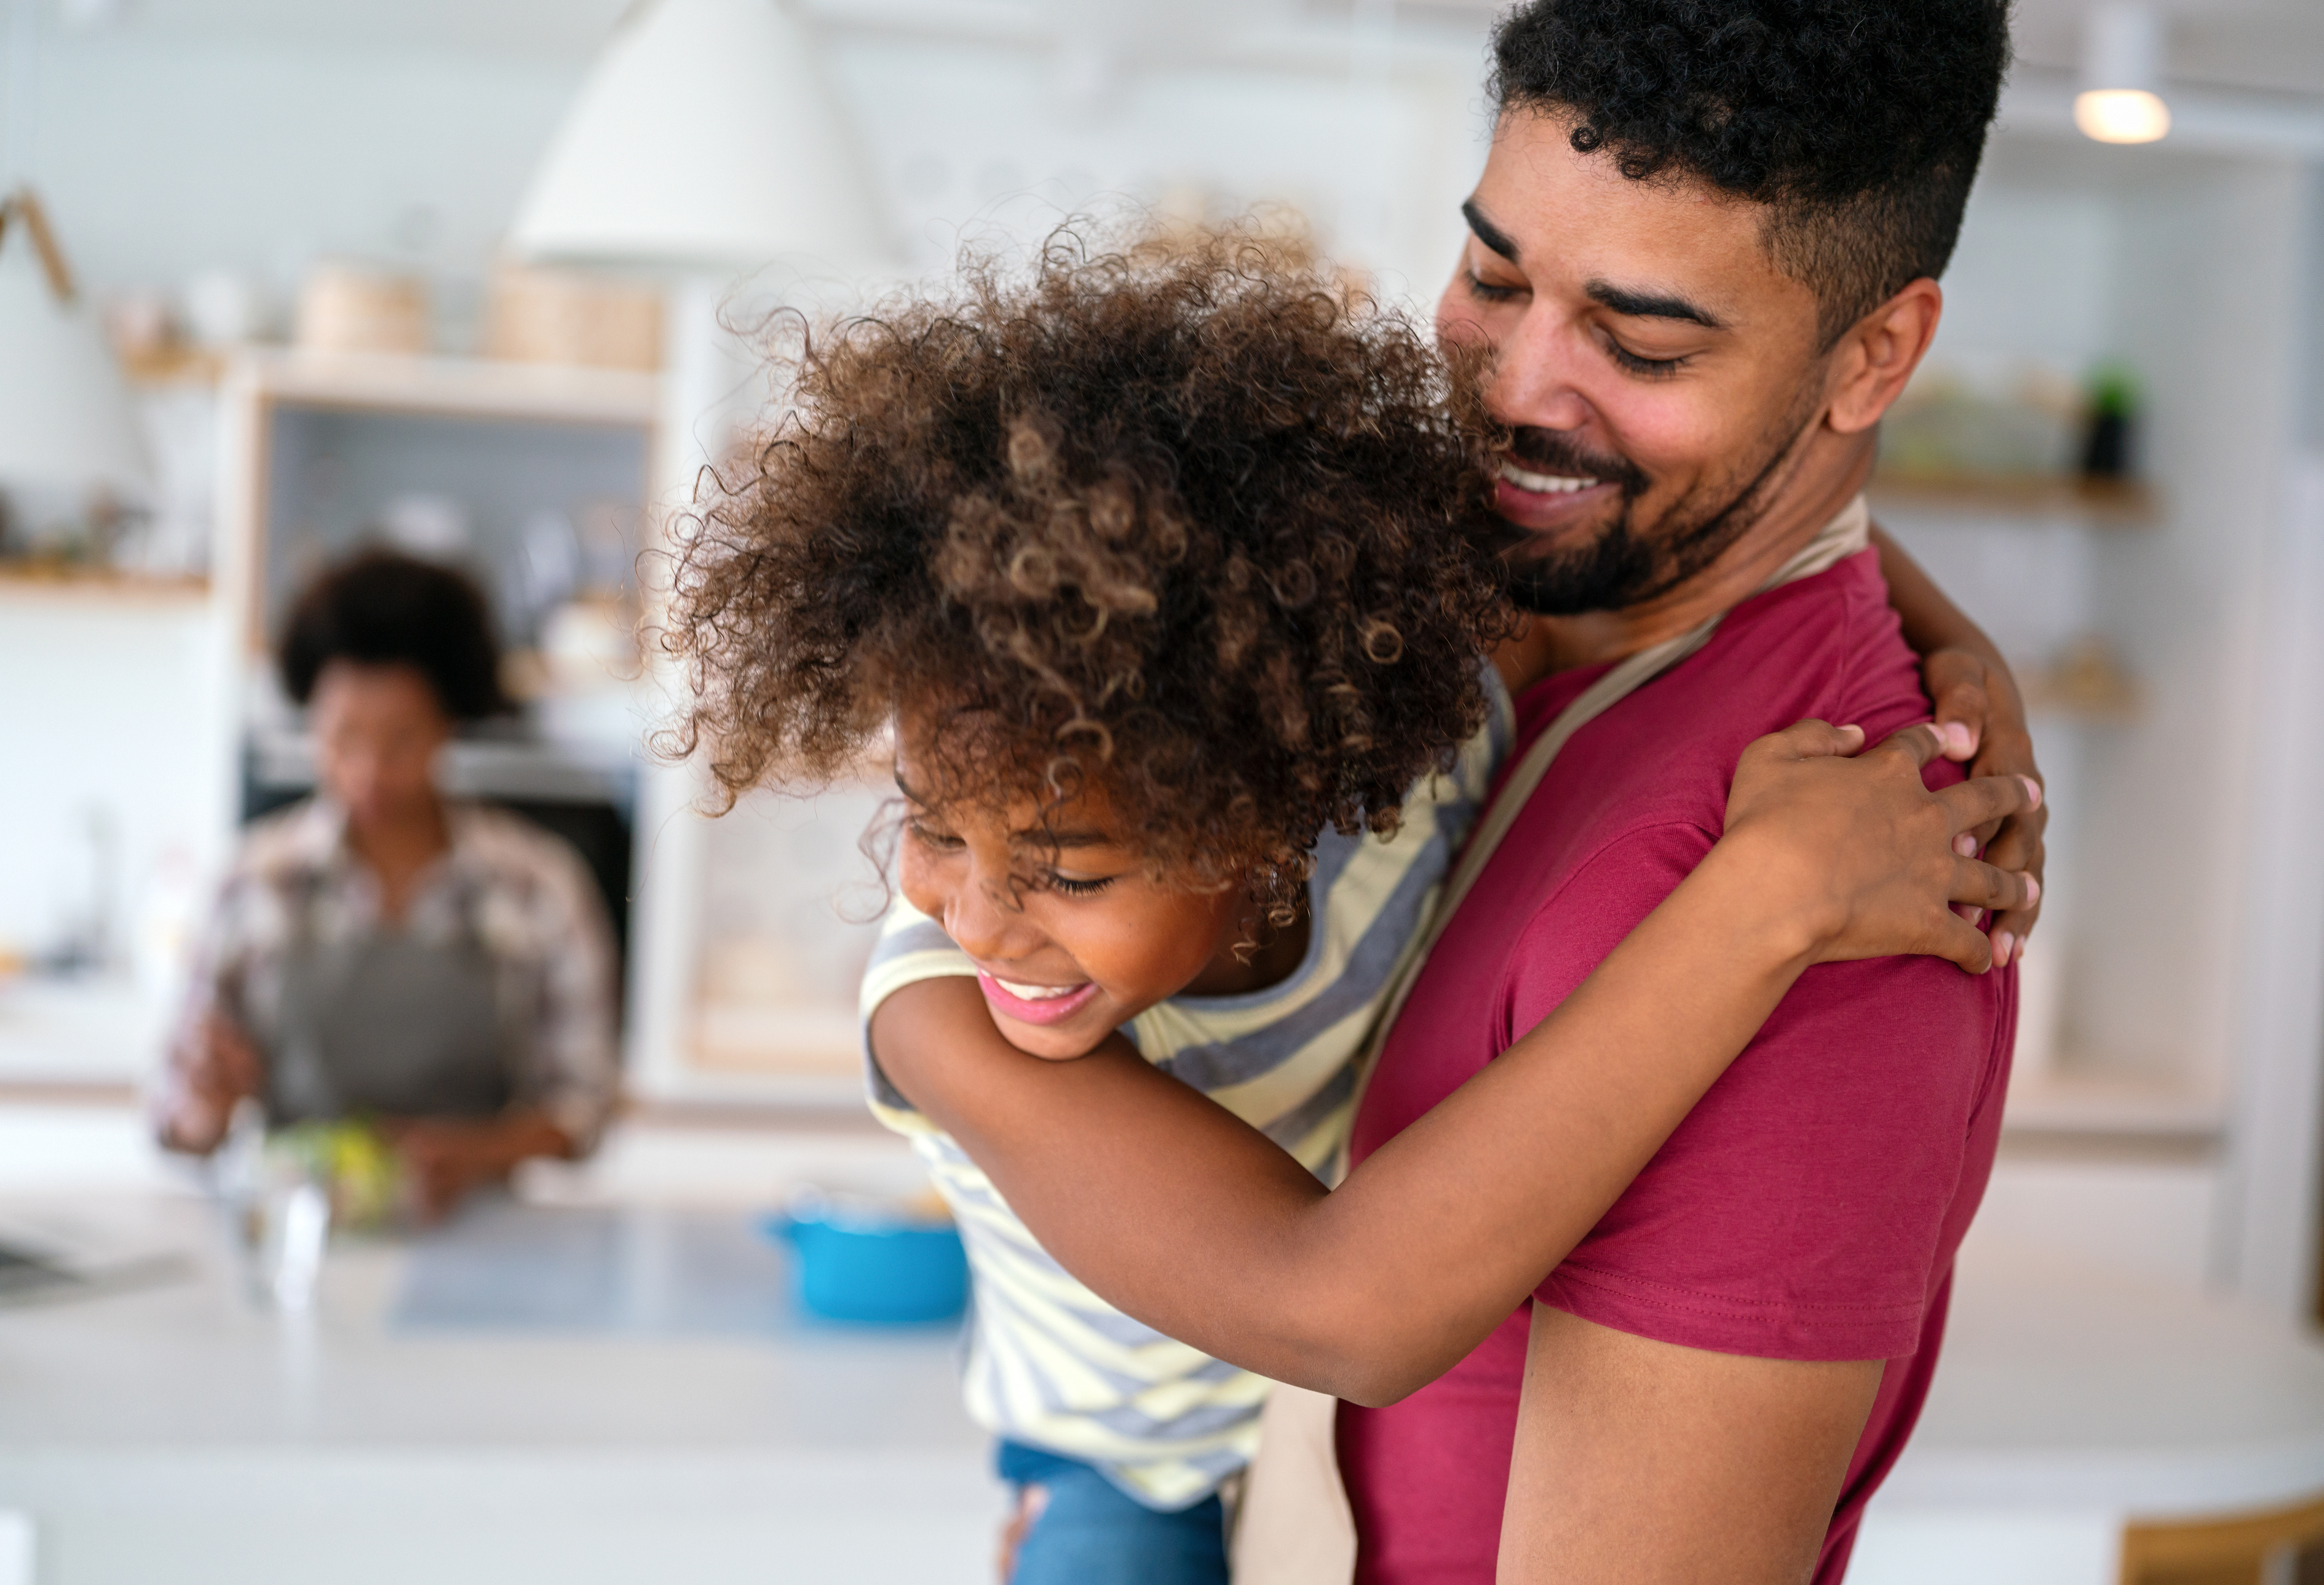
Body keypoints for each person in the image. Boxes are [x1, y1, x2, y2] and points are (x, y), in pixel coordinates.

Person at [667, 215, 2036, 1582]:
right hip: (1134, 1480)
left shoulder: (1409, 744)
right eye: (929, 823)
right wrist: (1770, 897)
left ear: (1266, 817)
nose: (973, 913)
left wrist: (1961, 651)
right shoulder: (944, 1014)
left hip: (1314, 1452)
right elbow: (1343, 1310)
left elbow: (1707, 509)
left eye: (1067, 872)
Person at [158, 549, 619, 1220]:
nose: (368, 772)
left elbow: (585, 1108)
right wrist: (202, 1107)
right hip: (293, 1232)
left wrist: (474, 1155)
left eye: (401, 741)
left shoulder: (538, 886)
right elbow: (175, 1123)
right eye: (343, 738)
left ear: (449, 727)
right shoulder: (252, 882)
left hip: (478, 1236)